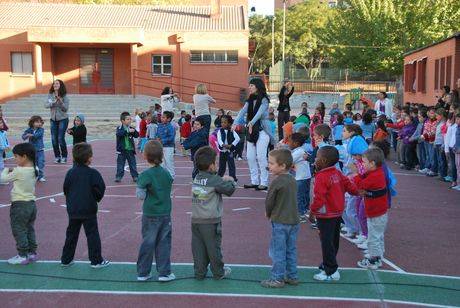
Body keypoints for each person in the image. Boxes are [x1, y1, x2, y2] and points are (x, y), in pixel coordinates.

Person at [309, 146, 358, 281]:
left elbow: (319, 197)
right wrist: (358, 191)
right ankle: (328, 263)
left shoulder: (321, 177)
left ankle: (331, 269)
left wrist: (312, 212)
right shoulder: (337, 173)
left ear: (323, 161)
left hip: (325, 215)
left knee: (326, 242)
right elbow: (349, 185)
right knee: (333, 240)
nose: (315, 159)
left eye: (317, 157)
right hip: (337, 213)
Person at [61, 143, 109, 268]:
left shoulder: (70, 173)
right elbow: (100, 189)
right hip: (88, 209)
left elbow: (66, 189)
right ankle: (96, 260)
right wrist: (95, 199)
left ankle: (66, 259)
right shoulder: (93, 173)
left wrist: (71, 201)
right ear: (89, 158)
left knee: (71, 234)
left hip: (73, 209)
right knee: (92, 234)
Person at [191, 146, 236, 280]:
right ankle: (218, 272)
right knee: (213, 248)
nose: (216, 165)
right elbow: (229, 190)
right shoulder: (215, 180)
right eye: (215, 162)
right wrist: (230, 180)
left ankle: (199, 272)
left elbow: (211, 183)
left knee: (198, 248)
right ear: (211, 166)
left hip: (196, 220)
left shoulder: (197, 177)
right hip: (210, 221)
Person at [135, 140, 175, 281]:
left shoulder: (145, 175)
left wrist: (146, 192)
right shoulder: (166, 173)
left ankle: (143, 272)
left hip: (150, 213)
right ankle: (164, 273)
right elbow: (169, 186)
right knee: (163, 243)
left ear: (145, 156)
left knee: (148, 242)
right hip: (164, 213)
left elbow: (140, 195)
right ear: (162, 155)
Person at [261, 149, 299, 288]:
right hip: (294, 220)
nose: (269, 166)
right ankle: (292, 275)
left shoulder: (277, 182)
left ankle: (277, 278)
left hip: (280, 221)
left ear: (282, 166)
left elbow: (269, 201)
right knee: (291, 249)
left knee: (278, 250)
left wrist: (268, 212)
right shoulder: (293, 180)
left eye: (271, 163)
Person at [0, 143, 39, 265]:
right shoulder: (35, 169)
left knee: (19, 229)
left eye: (16, 157)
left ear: (24, 157)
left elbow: (2, 179)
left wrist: (6, 169)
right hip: (31, 204)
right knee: (29, 228)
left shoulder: (19, 171)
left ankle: (22, 255)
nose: (14, 159)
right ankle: (32, 253)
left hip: (19, 205)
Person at [234, 78, 276, 191]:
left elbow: (259, 113)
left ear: (257, 86)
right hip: (251, 131)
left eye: (252, 85)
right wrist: (235, 122)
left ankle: (264, 182)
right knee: (250, 157)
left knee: (261, 157)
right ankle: (254, 181)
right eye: (250, 85)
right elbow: (242, 111)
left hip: (262, 131)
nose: (250, 87)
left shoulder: (264, 100)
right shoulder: (250, 99)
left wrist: (251, 122)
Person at [353, 148, 389, 269]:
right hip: (376, 211)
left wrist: (356, 175)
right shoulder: (375, 173)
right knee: (378, 235)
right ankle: (378, 254)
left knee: (373, 237)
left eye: (365, 162)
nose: (363, 164)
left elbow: (361, 185)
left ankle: (374, 259)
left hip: (376, 212)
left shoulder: (376, 175)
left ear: (372, 163)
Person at [45, 79, 69, 164]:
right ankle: (57, 156)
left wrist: (61, 102)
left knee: (60, 138)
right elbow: (46, 105)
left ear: (60, 85)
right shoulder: (50, 95)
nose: (55, 85)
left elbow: (65, 109)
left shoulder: (64, 95)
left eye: (57, 83)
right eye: (54, 84)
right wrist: (53, 103)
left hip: (63, 119)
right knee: (53, 139)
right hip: (53, 119)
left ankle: (64, 156)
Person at [288, 133, 311, 223]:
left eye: (290, 142)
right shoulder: (300, 150)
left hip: (301, 177)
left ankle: (300, 214)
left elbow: (289, 160)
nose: (288, 143)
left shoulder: (299, 152)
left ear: (296, 143)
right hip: (304, 176)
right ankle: (305, 210)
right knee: (303, 195)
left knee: (299, 196)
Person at [115, 112, 139, 183]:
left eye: (130, 119)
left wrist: (134, 131)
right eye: (127, 119)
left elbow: (137, 135)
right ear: (123, 121)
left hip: (130, 150)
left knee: (133, 164)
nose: (130, 120)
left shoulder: (131, 128)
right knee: (120, 165)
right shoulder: (119, 128)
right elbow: (119, 134)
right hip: (122, 151)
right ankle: (118, 176)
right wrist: (127, 131)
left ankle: (135, 176)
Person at [216, 115, 240, 182]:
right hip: (222, 151)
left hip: (230, 151)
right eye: (222, 122)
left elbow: (238, 138)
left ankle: (233, 179)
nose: (222, 124)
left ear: (229, 123)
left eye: (225, 122)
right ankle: (218, 178)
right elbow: (219, 139)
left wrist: (231, 145)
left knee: (231, 165)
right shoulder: (220, 131)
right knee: (221, 166)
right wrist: (223, 145)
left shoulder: (232, 131)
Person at [22, 116, 45, 182]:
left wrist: (30, 135)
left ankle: (40, 176)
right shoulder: (29, 129)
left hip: (40, 150)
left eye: (40, 122)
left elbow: (37, 135)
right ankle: (34, 175)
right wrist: (26, 135)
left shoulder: (41, 130)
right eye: (37, 122)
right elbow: (23, 136)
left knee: (40, 163)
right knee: (33, 164)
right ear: (32, 123)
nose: (39, 123)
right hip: (32, 150)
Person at [156, 111, 176, 179]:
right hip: (161, 147)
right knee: (161, 162)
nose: (161, 118)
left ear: (169, 119)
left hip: (168, 147)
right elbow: (157, 134)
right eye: (161, 117)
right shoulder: (159, 125)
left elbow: (171, 137)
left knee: (168, 161)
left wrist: (162, 141)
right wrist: (157, 138)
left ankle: (171, 176)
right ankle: (162, 176)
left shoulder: (171, 127)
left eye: (163, 117)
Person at [453, 112, 460, 191]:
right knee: (457, 166)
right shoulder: (457, 127)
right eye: (456, 119)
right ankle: (458, 184)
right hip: (456, 149)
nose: (456, 121)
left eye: (458, 119)